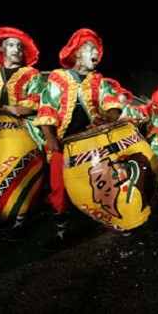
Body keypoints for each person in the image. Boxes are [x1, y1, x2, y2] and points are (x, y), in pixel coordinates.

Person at [33, 28, 123, 251]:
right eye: (90, 49)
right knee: (59, 190)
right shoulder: (58, 77)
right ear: (75, 53)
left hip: (93, 143)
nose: (96, 53)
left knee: (103, 184)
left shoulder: (99, 80)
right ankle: (61, 232)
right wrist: (50, 138)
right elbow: (46, 109)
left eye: (96, 49)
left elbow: (112, 103)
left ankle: (113, 219)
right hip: (63, 144)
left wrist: (107, 118)